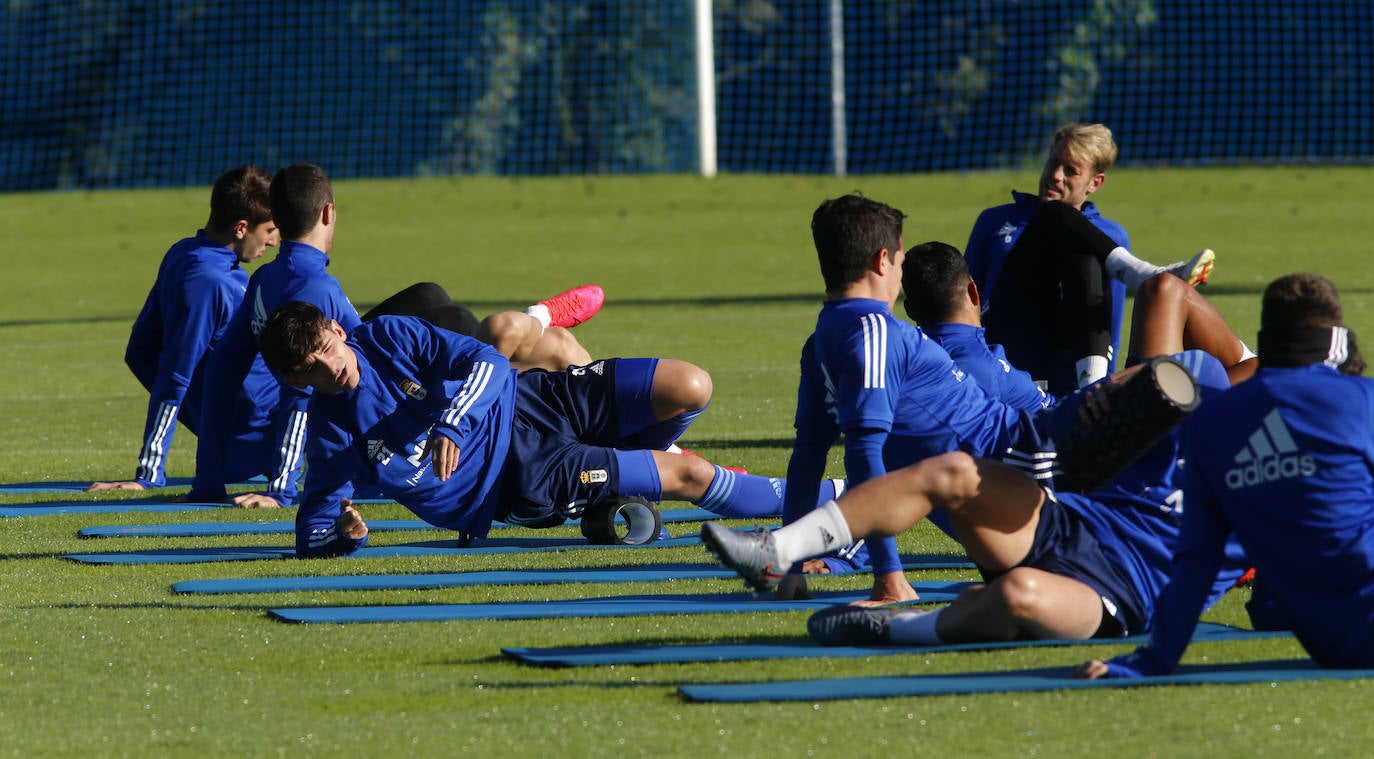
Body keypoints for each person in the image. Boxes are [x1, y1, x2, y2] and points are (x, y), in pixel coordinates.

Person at [703, 346, 1249, 646]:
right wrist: (1105, 396)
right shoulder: (1201, 381)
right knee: (953, 472)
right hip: (1068, 524)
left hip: (1123, 597)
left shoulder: (1265, 488)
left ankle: (899, 628)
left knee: (1020, 596)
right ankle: (777, 548)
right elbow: (1147, 376)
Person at [256, 301, 824, 557]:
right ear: (294, 377)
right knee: (693, 475)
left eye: (329, 350)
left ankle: (623, 478)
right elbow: (312, 533)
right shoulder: (330, 436)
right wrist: (345, 538)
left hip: (535, 400)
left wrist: (454, 422)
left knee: (691, 386)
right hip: (521, 479)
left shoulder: (386, 337)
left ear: (337, 328)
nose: (332, 368)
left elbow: (489, 364)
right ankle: (840, 500)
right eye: (312, 370)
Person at [188, 163, 604, 508]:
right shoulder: (318, 293)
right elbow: (311, 394)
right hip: (384, 442)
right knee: (502, 340)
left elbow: (222, 371)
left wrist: (206, 481)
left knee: (430, 296)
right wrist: (281, 488)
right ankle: (539, 319)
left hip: (357, 418)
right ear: (328, 213)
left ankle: (539, 326)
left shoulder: (263, 280)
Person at [1076, 273, 1374, 677]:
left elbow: (1197, 562)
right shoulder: (1362, 399)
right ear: (1334, 341)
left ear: (1266, 336)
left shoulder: (1211, 422)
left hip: (1323, 638)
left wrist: (1153, 660)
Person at [779, 194, 1051, 604]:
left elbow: (808, 458)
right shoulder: (874, 332)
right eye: (902, 264)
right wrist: (889, 576)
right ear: (882, 260)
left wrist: (792, 568)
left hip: (1033, 465)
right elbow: (865, 456)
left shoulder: (821, 342)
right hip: (1034, 468)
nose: (901, 279)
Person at [967, 123, 1216, 393]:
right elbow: (964, 297)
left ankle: (1091, 390)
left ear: (1095, 182)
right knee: (1052, 214)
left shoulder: (1111, 236)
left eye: (1071, 170)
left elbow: (1110, 325)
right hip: (1004, 341)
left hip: (1065, 357)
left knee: (1084, 262)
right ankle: (1143, 274)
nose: (1056, 175)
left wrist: (1106, 386)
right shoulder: (995, 221)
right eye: (1053, 162)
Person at [88, 165, 278, 494]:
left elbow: (140, 350)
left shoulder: (183, 252)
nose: (274, 242)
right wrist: (148, 473)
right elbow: (175, 372)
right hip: (267, 429)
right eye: (271, 230)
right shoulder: (211, 281)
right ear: (241, 227)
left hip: (244, 431)